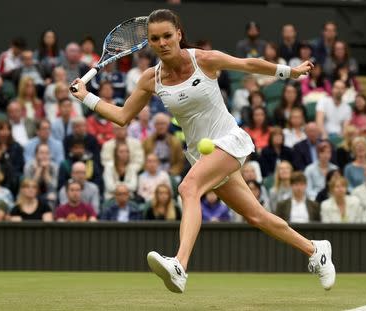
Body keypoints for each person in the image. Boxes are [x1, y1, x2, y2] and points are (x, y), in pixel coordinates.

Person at [70, 9, 335, 292]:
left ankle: (180, 265)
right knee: (257, 216)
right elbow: (123, 116)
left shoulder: (204, 60)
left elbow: (248, 64)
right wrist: (87, 98)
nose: (162, 43)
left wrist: (290, 72)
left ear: (179, 35)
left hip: (229, 141)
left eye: (167, 36)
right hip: (202, 153)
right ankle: (315, 250)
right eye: (155, 38)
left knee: (188, 188)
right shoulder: (151, 78)